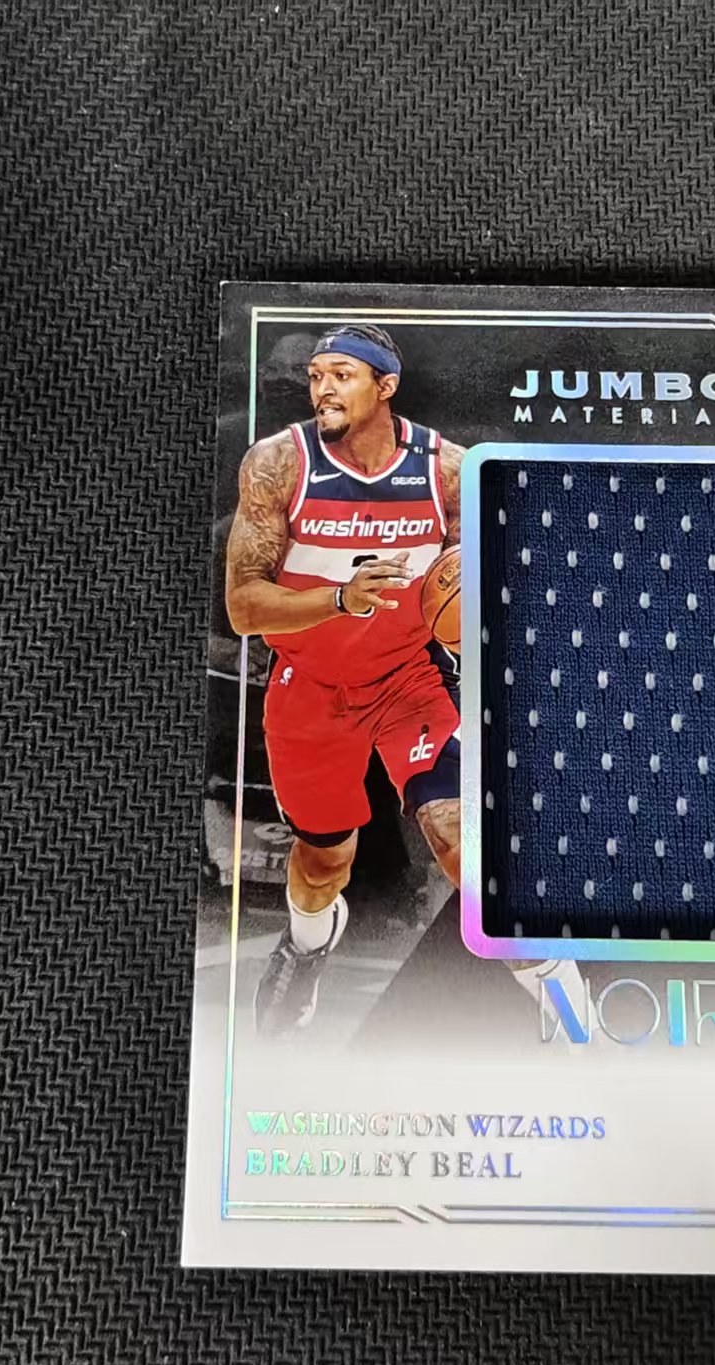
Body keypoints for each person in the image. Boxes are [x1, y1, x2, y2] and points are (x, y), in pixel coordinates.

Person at [226, 323, 584, 1037]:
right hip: (308, 684)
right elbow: (243, 607)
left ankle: (575, 1019)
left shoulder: (448, 472)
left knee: (462, 841)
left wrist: (487, 614)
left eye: (342, 375)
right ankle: (306, 946)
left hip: (408, 680)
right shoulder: (278, 463)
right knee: (323, 861)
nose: (323, 389)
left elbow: (489, 582)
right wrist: (339, 599)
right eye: (317, 375)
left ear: (385, 386)